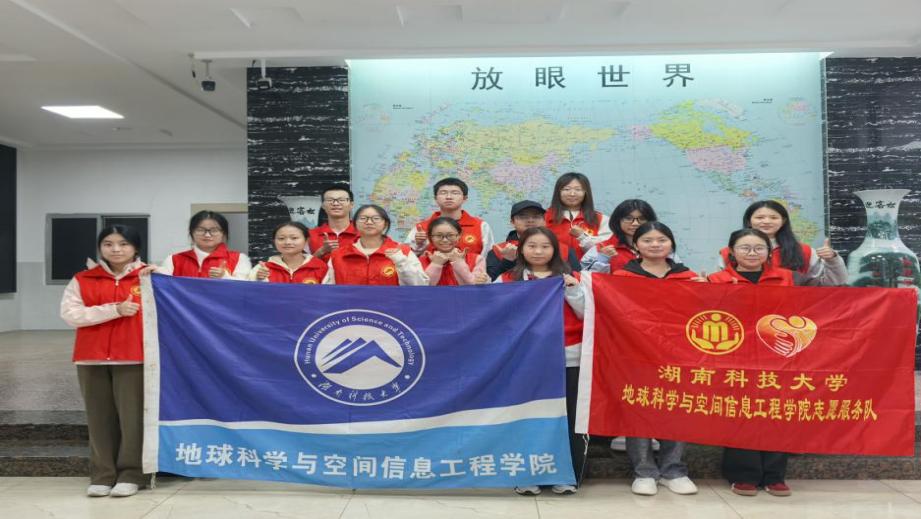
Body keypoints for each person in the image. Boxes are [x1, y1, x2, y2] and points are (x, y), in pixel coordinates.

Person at [612, 221, 703, 496]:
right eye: (647, 240)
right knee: (639, 410)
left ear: (671, 244)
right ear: (635, 245)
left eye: (661, 240)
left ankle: (673, 470)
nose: (655, 245)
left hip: (678, 356)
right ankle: (644, 471)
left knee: (676, 409)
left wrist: (706, 292)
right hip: (636, 355)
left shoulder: (687, 277)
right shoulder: (622, 277)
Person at [495, 227, 585, 496]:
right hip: (524, 359)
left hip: (568, 357)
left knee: (568, 418)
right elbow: (494, 315)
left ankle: (566, 474)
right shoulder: (507, 279)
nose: (538, 251)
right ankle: (527, 473)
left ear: (555, 250)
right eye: (532, 245)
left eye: (545, 246)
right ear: (521, 249)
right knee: (525, 415)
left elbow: (587, 314)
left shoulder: (573, 277)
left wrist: (573, 290)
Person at [60, 225, 148, 498]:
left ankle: (132, 474)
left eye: (123, 243)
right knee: (98, 419)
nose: (116, 249)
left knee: (133, 420)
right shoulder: (83, 279)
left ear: (135, 248)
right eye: (108, 244)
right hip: (91, 358)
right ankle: (102, 475)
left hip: (134, 357)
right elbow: (70, 314)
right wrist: (114, 310)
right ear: (100, 248)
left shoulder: (149, 277)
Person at [708, 229, 794, 497]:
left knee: (775, 412)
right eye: (745, 248)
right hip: (734, 354)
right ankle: (743, 475)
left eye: (759, 248)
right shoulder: (716, 280)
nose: (752, 253)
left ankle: (774, 475)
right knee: (740, 411)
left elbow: (795, 310)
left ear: (769, 252)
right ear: (731, 252)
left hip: (775, 352)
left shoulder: (785, 277)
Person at [718, 200, 846, 285]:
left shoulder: (805, 251)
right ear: (749, 221)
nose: (766, 221)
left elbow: (831, 284)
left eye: (774, 217)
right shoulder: (728, 253)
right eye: (760, 217)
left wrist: (833, 260)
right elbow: (718, 286)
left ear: (783, 221)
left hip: (791, 313)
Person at [324, 204, 428, 285]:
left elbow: (420, 285)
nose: (369, 222)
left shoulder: (403, 252)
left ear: (385, 224)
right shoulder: (339, 255)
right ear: (355, 223)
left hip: (391, 306)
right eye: (363, 218)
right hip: (350, 307)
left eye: (376, 218)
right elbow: (328, 290)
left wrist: (401, 261)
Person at [486, 200, 580, 281]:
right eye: (523, 216)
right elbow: (491, 284)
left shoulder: (564, 249)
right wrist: (508, 261)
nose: (530, 220)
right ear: (512, 222)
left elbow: (577, 279)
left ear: (544, 220)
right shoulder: (499, 250)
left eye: (536, 216)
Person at [406, 177, 494, 256]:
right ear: (435, 198)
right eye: (443, 193)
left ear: (465, 198)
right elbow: (406, 259)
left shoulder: (481, 226)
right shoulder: (421, 228)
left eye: (455, 193)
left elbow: (488, 257)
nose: (449, 197)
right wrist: (418, 244)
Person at [156, 210, 252, 279]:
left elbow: (245, 290)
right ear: (192, 233)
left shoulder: (239, 259)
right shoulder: (173, 260)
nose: (207, 235)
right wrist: (154, 273)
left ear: (223, 234)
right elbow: (163, 289)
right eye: (200, 230)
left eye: (214, 230)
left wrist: (225, 277)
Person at [544, 172, 611, 259]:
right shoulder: (544, 217)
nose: (572, 194)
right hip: (554, 267)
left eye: (578, 189)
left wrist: (583, 236)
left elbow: (607, 250)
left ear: (586, 192)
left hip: (589, 267)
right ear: (558, 192)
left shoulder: (601, 219)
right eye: (566, 189)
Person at [581, 199, 658, 274]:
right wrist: (602, 259)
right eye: (628, 218)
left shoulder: (659, 247)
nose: (635, 223)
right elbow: (585, 279)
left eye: (642, 218)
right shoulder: (600, 248)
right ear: (617, 221)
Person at [250, 221, 328, 284]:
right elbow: (252, 294)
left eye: (294, 238)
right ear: (274, 242)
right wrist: (258, 279)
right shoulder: (263, 269)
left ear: (306, 240)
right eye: (281, 238)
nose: (287, 242)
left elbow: (327, 295)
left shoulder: (321, 268)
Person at [418, 216, 488, 285]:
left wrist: (458, 263)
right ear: (430, 237)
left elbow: (473, 285)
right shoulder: (419, 262)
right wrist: (436, 264)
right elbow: (422, 288)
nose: (445, 240)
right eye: (438, 236)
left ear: (459, 235)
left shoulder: (477, 260)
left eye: (450, 235)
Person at [307, 185, 359, 262]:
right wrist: (321, 251)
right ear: (323, 205)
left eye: (341, 200)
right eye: (330, 200)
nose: (335, 203)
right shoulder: (310, 235)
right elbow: (300, 266)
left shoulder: (362, 234)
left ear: (351, 205)